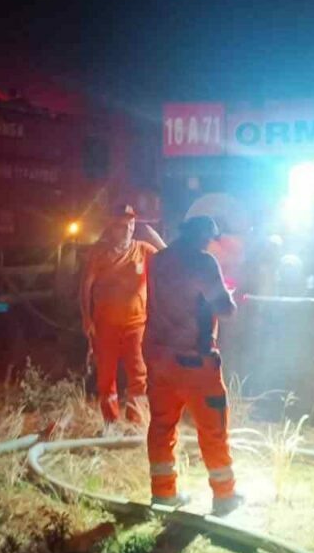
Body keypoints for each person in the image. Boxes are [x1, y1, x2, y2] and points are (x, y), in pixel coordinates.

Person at [143, 215, 244, 515]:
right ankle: (224, 496)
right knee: (213, 428)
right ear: (203, 237)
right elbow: (225, 309)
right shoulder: (203, 262)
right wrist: (229, 294)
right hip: (195, 362)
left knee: (161, 426)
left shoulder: (158, 260)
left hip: (160, 360)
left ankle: (163, 494)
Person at [79, 204, 164, 434]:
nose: (127, 230)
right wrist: (86, 318)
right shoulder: (99, 253)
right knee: (106, 377)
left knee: (138, 375)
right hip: (105, 326)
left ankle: (136, 423)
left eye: (131, 225)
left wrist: (152, 234)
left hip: (136, 326)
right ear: (111, 227)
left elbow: (169, 258)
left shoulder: (143, 250)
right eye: (121, 226)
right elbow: (85, 287)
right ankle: (110, 423)